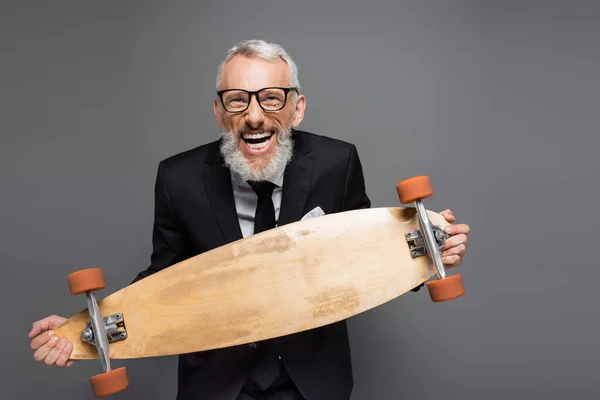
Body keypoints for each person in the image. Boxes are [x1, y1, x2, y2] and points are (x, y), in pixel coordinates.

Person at [28, 39, 470, 400]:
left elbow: (366, 251)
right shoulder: (178, 178)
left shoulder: (337, 162)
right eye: (237, 100)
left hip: (312, 382)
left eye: (271, 98)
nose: (254, 116)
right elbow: (165, 278)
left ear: (296, 109)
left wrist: (432, 254)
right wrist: (81, 332)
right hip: (217, 385)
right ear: (219, 112)